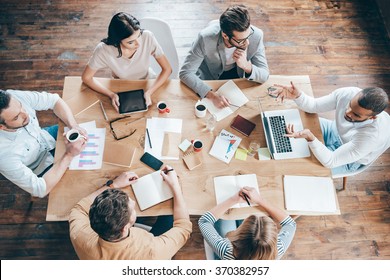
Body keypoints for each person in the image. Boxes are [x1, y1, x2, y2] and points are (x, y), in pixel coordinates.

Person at [69, 166, 192, 260]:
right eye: (132, 209)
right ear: (125, 228)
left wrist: (113, 185)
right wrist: (175, 186)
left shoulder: (80, 236)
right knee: (168, 216)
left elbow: (79, 209)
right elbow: (183, 227)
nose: (133, 201)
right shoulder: (153, 252)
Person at [277, 83, 390, 176]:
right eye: (350, 105)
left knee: (298, 171)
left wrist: (310, 138)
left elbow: (331, 161)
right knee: (292, 123)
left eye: (356, 115)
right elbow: (314, 105)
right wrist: (298, 96)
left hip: (349, 160)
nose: (347, 112)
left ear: (372, 117)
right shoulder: (348, 93)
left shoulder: (372, 137)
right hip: (334, 131)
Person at [0, 89, 86, 198]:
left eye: (21, 106)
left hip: (45, 137)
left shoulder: (13, 97)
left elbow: (55, 100)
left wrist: (73, 125)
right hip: (40, 166)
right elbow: (40, 189)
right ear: (1, 127)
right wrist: (69, 155)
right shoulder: (3, 156)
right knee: (81, 182)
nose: (26, 114)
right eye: (16, 117)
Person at [179, 4, 269, 108]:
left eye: (248, 35)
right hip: (211, 75)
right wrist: (211, 95)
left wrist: (246, 65)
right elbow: (185, 73)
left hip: (239, 75)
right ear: (225, 35)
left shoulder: (256, 35)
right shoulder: (205, 38)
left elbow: (264, 75)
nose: (247, 42)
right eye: (241, 40)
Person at [81, 12, 172, 111]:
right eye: (131, 42)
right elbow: (86, 78)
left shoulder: (147, 37)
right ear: (117, 41)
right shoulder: (104, 50)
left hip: (147, 81)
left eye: (138, 36)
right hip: (120, 85)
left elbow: (167, 69)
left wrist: (149, 92)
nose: (138, 44)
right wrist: (111, 94)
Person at [199, 187, 296, 260]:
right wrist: (259, 200)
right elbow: (290, 224)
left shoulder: (226, 250)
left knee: (225, 221)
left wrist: (233, 199)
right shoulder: (277, 250)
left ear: (239, 234)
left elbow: (204, 221)